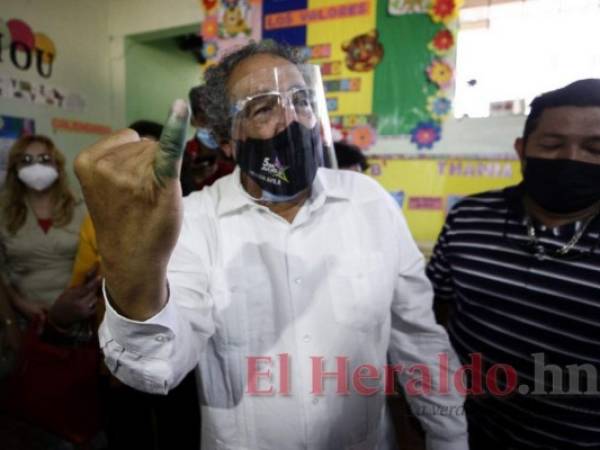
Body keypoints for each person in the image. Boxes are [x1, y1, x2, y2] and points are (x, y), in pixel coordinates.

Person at [75, 40, 468, 450]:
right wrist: (134, 266)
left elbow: (420, 341)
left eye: (301, 100)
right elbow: (155, 368)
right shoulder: (196, 221)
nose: (291, 120)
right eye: (264, 108)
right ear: (228, 141)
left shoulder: (369, 202)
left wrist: (450, 438)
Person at [427, 79, 600, 449]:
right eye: (552, 145)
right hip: (464, 433)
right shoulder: (469, 217)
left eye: (594, 148)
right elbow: (433, 312)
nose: (573, 158)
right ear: (522, 150)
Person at [71, 120, 200, 450]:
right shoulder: (100, 217)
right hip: (117, 351)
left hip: (182, 357)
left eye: (157, 154)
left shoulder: (196, 215)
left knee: (179, 428)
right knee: (128, 431)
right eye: (135, 154)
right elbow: (83, 282)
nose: (145, 165)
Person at [0, 134, 102, 448]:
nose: (36, 167)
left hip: (76, 324)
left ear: (56, 164)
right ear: (15, 168)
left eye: (44, 159)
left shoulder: (81, 208)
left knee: (77, 411)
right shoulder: (4, 213)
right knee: (30, 413)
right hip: (23, 320)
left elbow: (96, 260)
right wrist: (17, 310)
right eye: (26, 161)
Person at [180, 85, 235, 196]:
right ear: (193, 120)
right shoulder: (181, 156)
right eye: (204, 119)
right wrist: (191, 180)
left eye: (217, 119)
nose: (212, 126)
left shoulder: (239, 156)